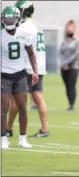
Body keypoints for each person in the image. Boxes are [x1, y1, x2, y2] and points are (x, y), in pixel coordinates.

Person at [6, 0, 49, 138]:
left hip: (29, 66)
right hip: (39, 64)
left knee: (16, 99)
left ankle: (8, 127)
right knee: (38, 96)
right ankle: (44, 128)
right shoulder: (37, 24)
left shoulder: (25, 27)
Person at [1, 5, 39, 149]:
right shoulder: (1, 36)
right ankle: (3, 138)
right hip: (3, 75)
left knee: (23, 107)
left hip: (20, 74)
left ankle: (23, 138)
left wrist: (34, 71)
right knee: (3, 107)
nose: (9, 21)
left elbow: (31, 53)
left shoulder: (23, 34)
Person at [59, 20, 79, 111]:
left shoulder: (77, 41)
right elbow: (60, 53)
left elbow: (77, 54)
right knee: (66, 86)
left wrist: (68, 64)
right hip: (64, 67)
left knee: (71, 86)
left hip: (73, 67)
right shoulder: (64, 41)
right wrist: (63, 63)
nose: (69, 30)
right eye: (68, 28)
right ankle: (69, 103)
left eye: (71, 28)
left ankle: (72, 104)